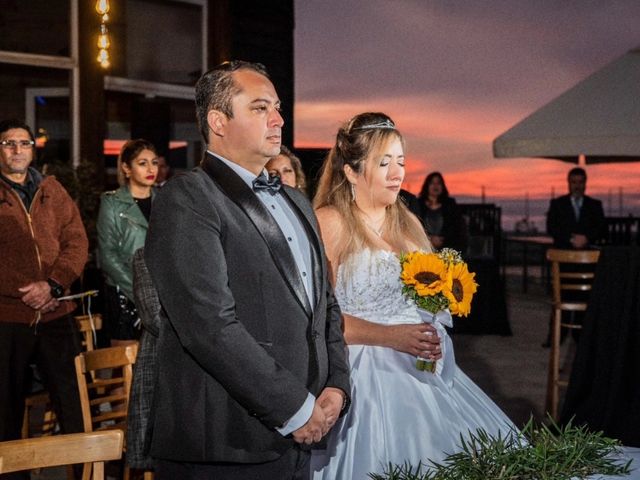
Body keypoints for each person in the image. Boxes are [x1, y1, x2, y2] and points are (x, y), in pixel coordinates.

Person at [143, 60, 351, 480]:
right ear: (218, 121)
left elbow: (326, 306)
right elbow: (209, 327)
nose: (278, 119)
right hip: (226, 443)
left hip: (301, 435)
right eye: (260, 108)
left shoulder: (296, 202)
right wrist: (294, 408)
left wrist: (337, 387)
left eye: (276, 107)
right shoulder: (188, 198)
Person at [310, 112, 515, 479]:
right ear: (352, 171)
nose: (397, 173)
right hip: (360, 375)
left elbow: (427, 297)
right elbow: (318, 317)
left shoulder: (409, 224)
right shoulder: (330, 222)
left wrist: (433, 327)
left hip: (418, 368)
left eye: (401, 162)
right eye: (383, 162)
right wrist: (392, 337)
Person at [0, 119, 88, 476]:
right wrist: (30, 291)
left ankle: (85, 473)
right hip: (8, 317)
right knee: (6, 410)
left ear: (33, 149)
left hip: (57, 312)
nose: (17, 150)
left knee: (73, 405)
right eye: (8, 143)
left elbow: (77, 241)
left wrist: (53, 285)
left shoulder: (53, 189)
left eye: (24, 143)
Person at [97, 139, 158, 345]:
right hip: (124, 294)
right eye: (143, 163)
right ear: (126, 168)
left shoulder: (166, 200)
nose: (151, 169)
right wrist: (140, 292)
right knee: (123, 369)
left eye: (154, 162)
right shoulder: (112, 202)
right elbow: (107, 256)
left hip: (162, 296)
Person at [546, 167, 605, 249]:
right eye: (574, 182)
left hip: (589, 252)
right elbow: (551, 228)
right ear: (568, 183)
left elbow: (601, 229)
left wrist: (586, 238)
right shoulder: (557, 204)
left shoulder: (595, 205)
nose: (577, 186)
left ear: (585, 183)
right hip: (563, 251)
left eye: (580, 182)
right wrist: (571, 239)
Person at [415, 171, 467, 251]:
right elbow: (414, 226)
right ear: (427, 186)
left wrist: (442, 240)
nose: (436, 186)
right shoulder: (418, 204)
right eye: (432, 183)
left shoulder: (450, 204)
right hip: (422, 247)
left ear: (442, 186)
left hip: (447, 248)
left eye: (439, 183)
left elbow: (456, 228)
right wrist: (429, 239)